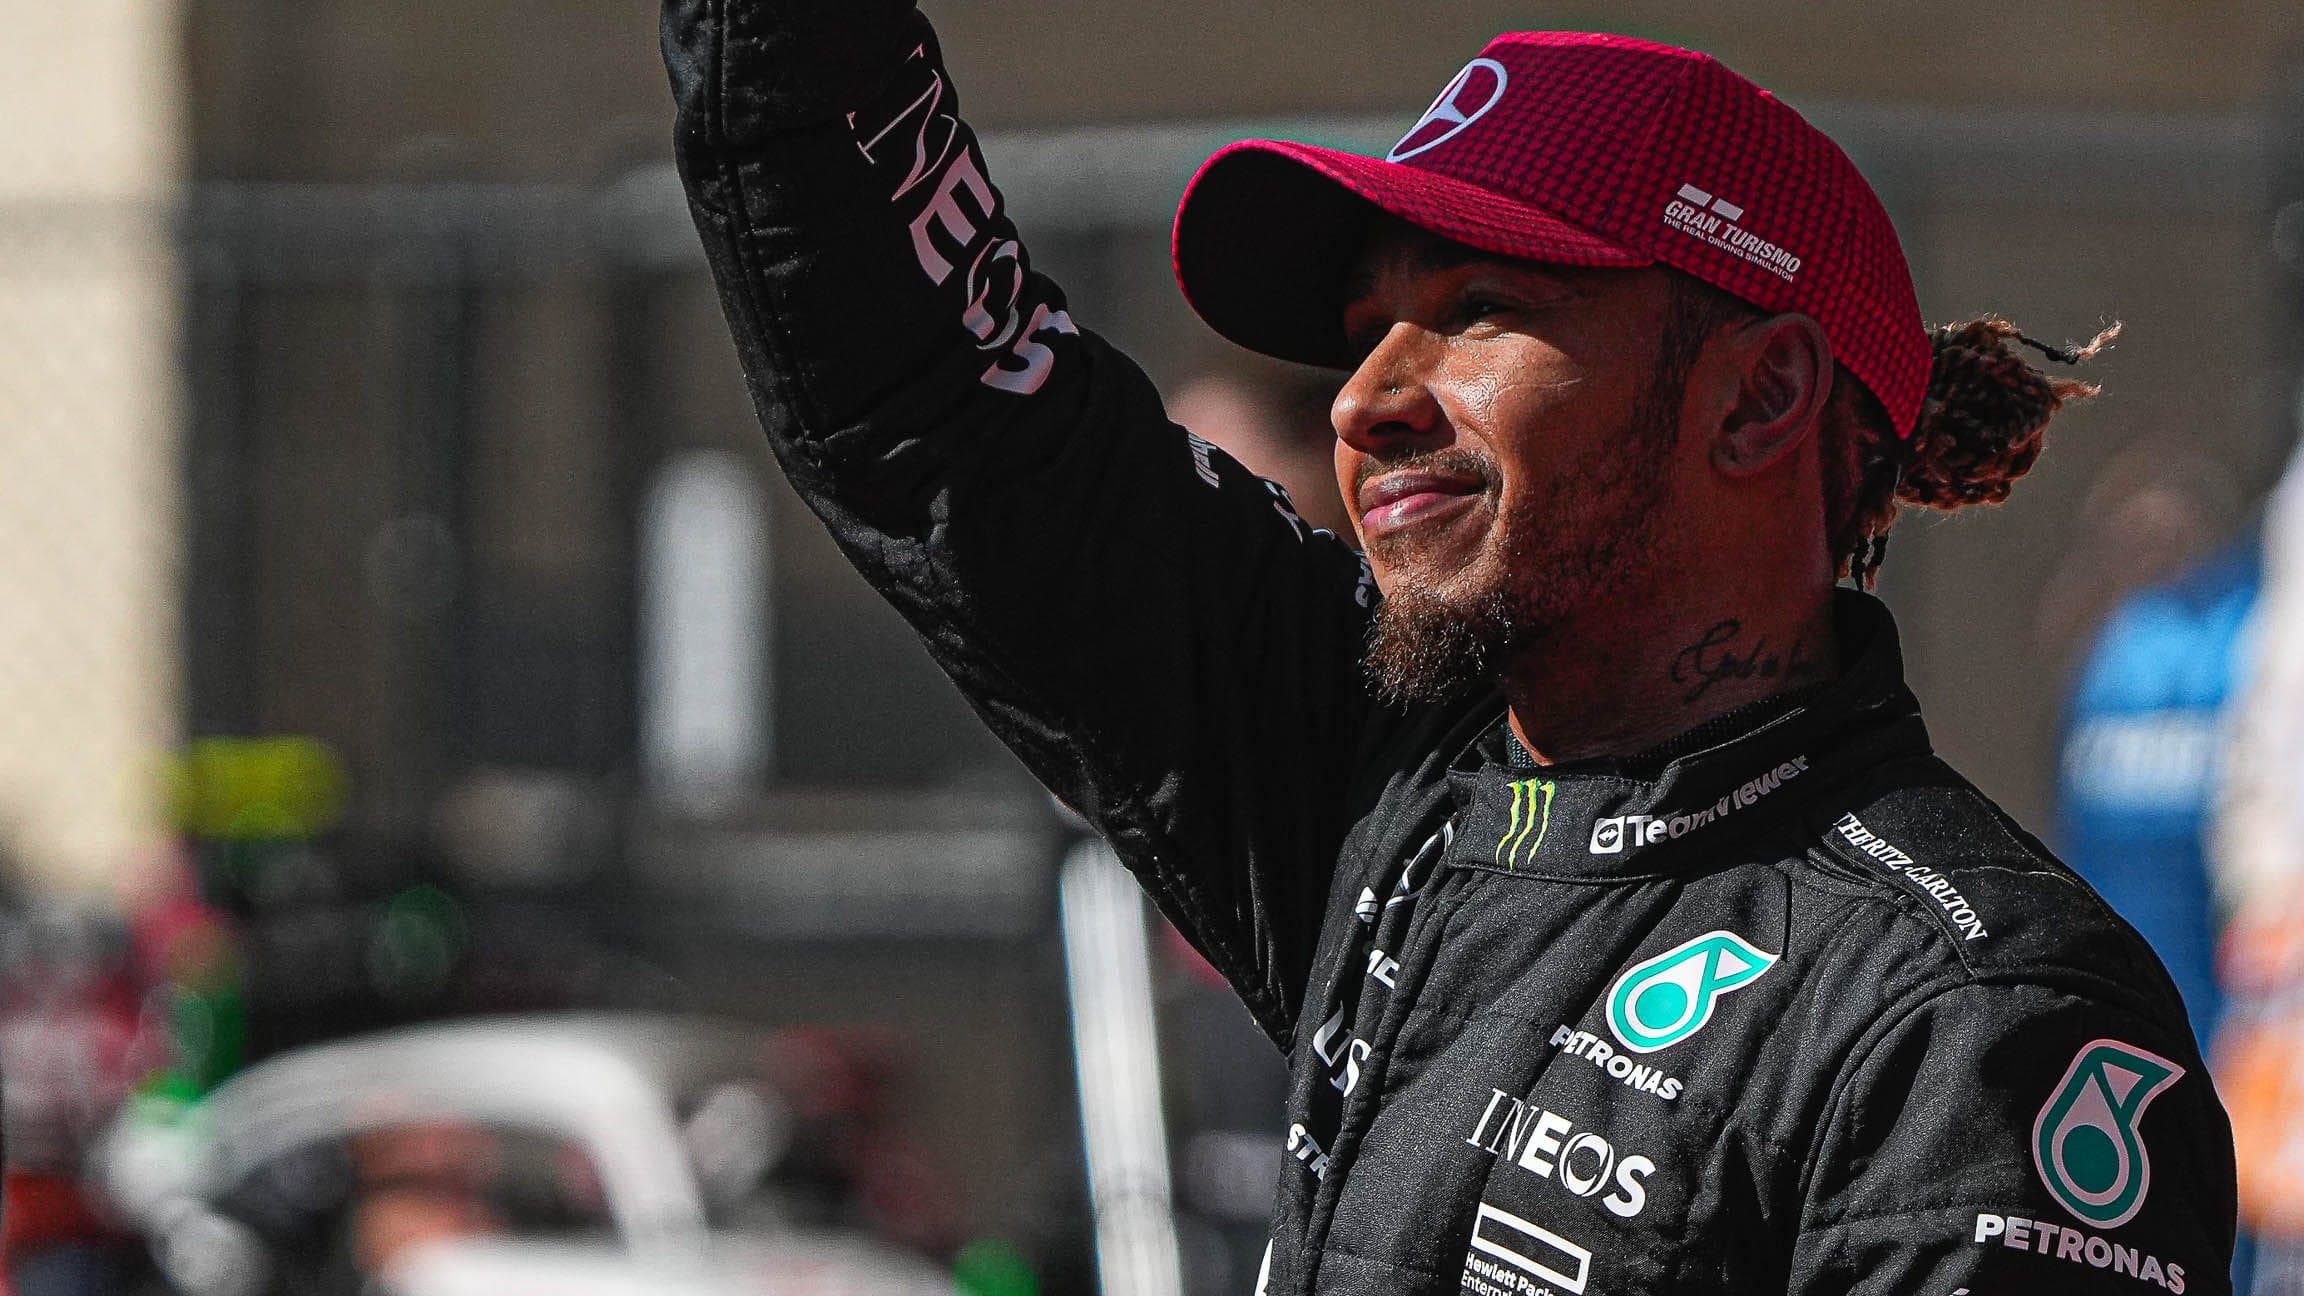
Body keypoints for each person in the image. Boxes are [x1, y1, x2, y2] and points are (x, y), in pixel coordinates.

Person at [660, 6, 2237, 1292]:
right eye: (1364, 334)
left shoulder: (1974, 1017)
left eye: (1476, 308)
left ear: (1759, 400)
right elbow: (937, 410)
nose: (1363, 400)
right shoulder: (1380, 779)